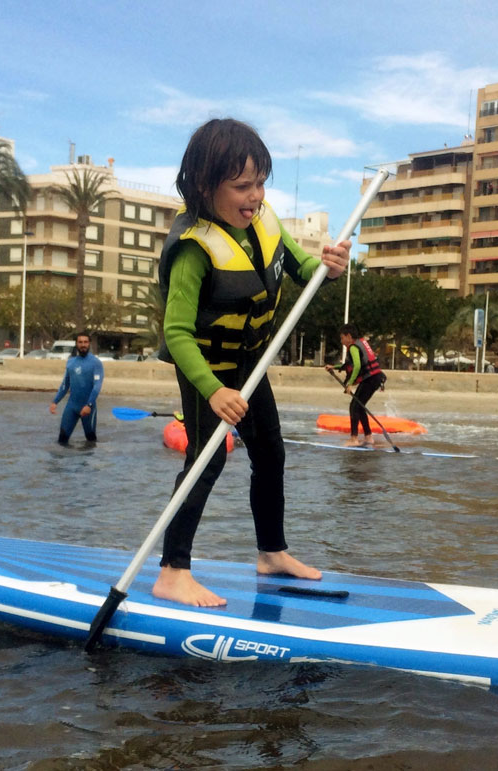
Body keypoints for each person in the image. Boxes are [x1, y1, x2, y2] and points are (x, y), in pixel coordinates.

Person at [155, 117, 350, 607]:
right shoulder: (193, 249)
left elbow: (300, 268)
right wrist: (214, 391)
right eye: (242, 186)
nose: (255, 196)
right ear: (205, 185)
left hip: (250, 362)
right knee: (206, 460)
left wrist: (326, 267)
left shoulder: (264, 221)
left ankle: (271, 552)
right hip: (207, 371)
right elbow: (176, 333)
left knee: (271, 454)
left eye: (261, 183)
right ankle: (172, 571)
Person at [325, 323, 386, 446]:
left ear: (348, 336)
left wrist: (350, 384)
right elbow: (350, 365)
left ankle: (354, 438)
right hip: (375, 377)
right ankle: (368, 437)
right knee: (359, 405)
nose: (341, 341)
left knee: (354, 406)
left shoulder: (353, 347)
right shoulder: (359, 343)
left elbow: (357, 365)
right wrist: (334, 367)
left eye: (342, 338)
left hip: (371, 379)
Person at [48, 332, 103, 444]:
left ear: (89, 344)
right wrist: (55, 401)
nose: (83, 345)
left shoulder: (96, 363)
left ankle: (87, 461)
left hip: (88, 408)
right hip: (71, 407)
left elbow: (97, 387)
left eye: (86, 342)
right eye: (80, 342)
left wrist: (89, 405)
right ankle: (65, 461)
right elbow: (65, 384)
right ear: (76, 344)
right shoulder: (71, 362)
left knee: (91, 441)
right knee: (62, 440)